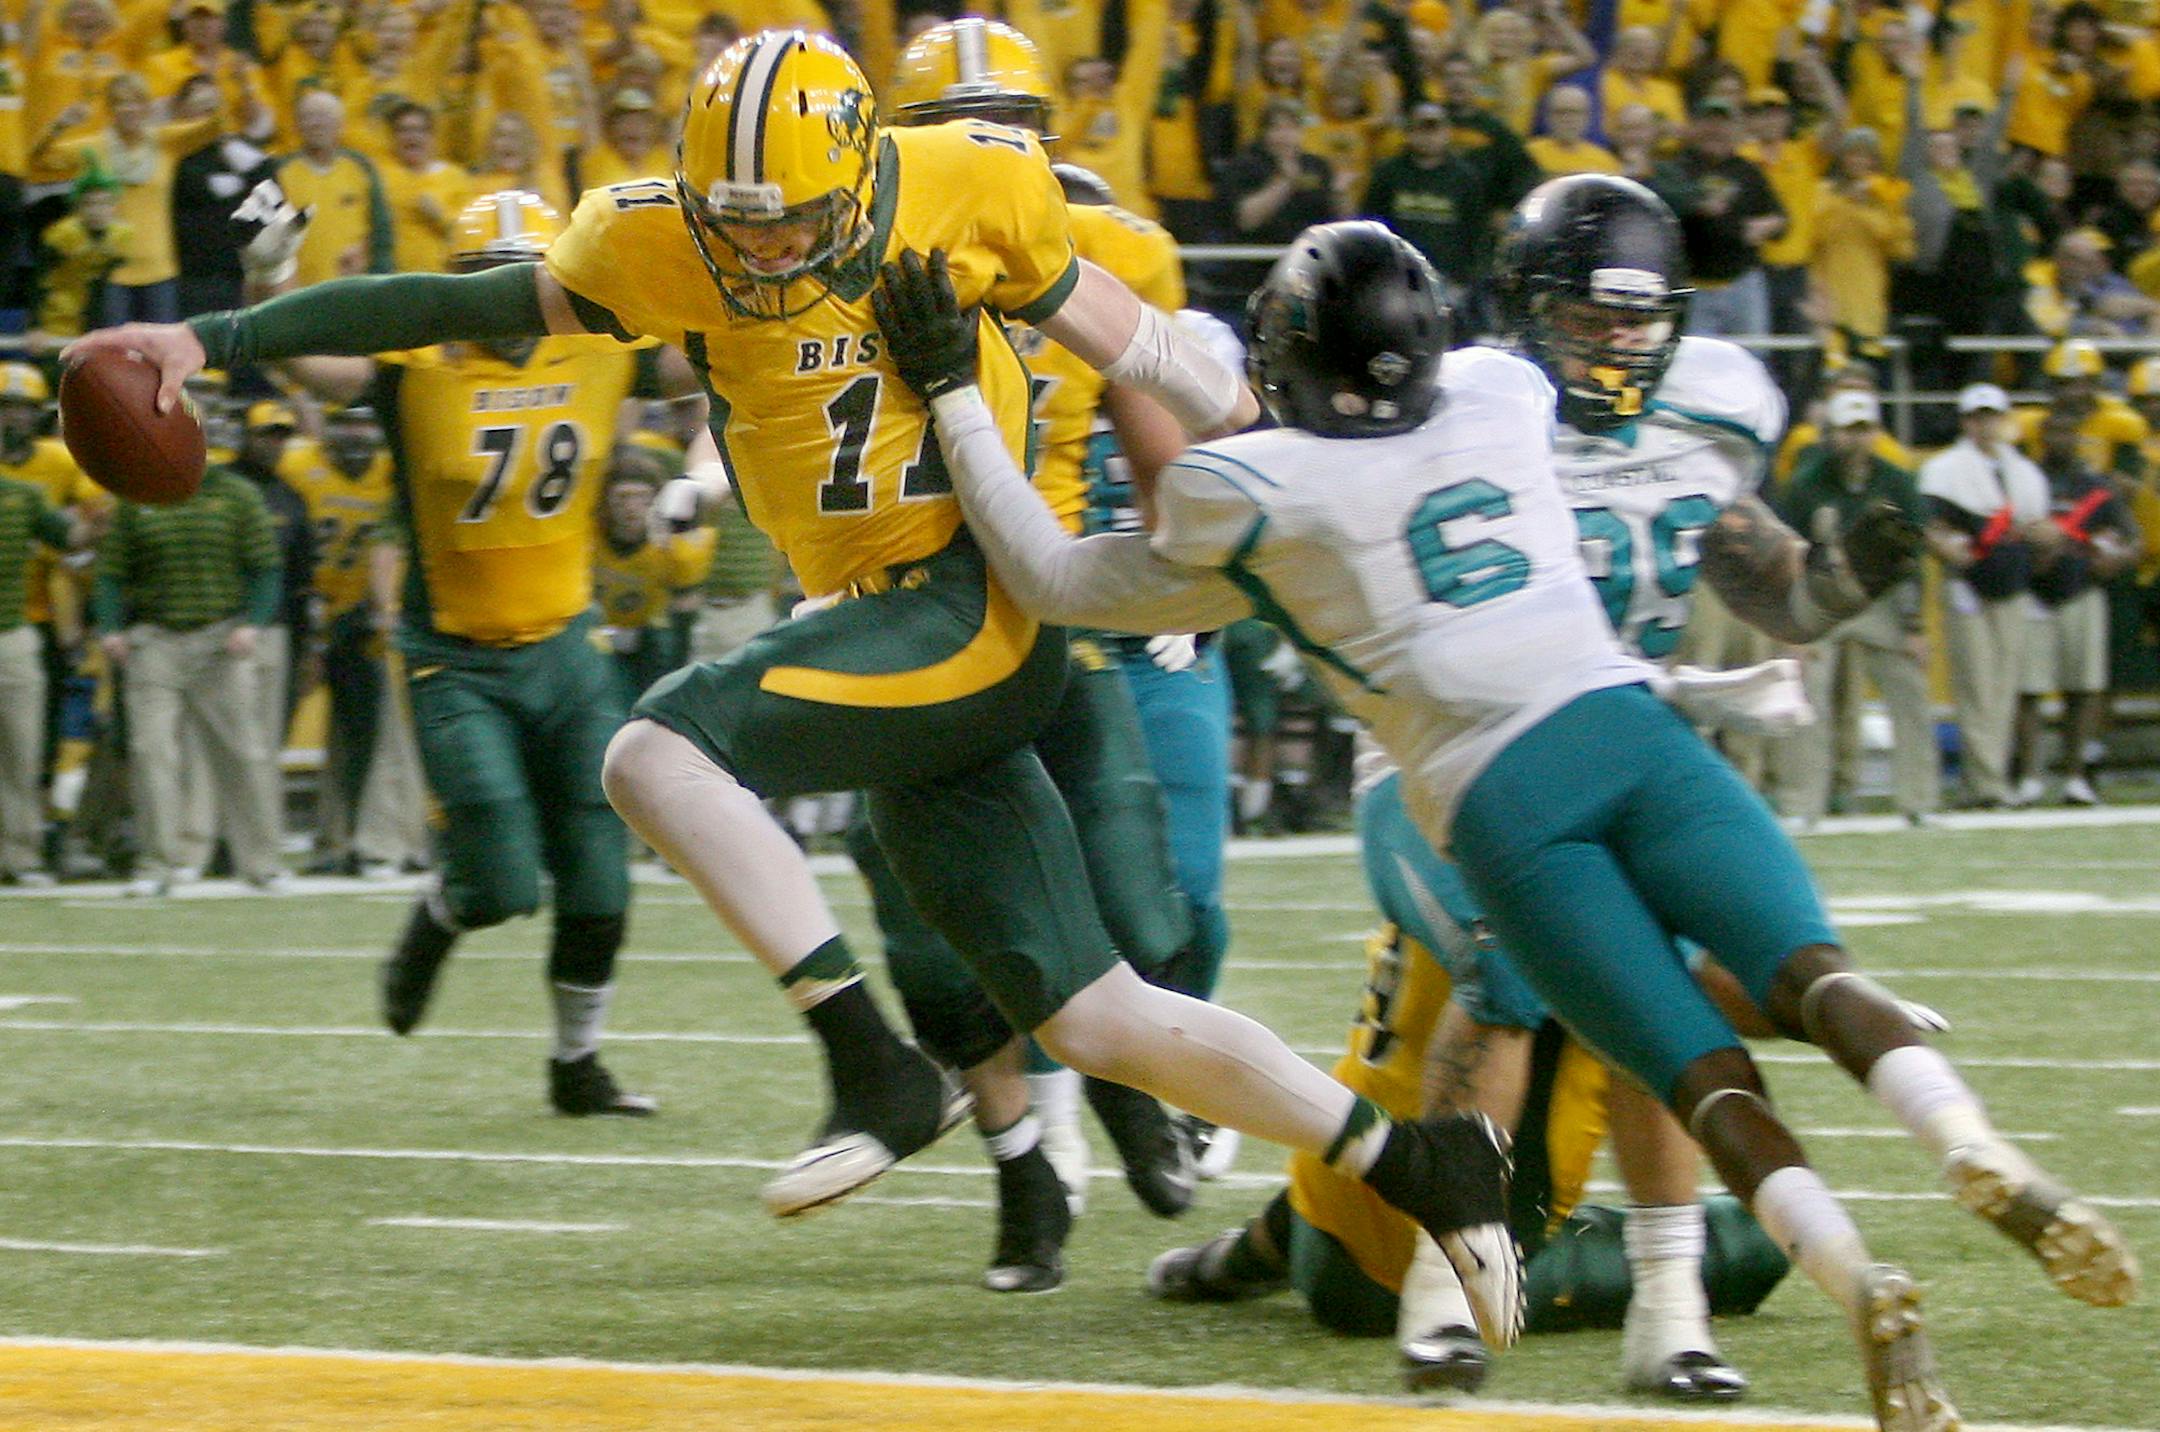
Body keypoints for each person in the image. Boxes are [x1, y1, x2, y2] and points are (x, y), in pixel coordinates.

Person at [68, 36, 1525, 1338]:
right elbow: (443, 299)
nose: (762, 256)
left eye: (794, 222)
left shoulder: (974, 188)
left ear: (865, 173)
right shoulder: (658, 239)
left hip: (971, 601)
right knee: (1097, 1019)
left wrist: (1319, 472)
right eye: (735, 226)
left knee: (652, 751)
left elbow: (1156, 361)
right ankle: (1418, 1158)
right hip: (878, 632)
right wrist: (215, 338)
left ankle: (869, 1065)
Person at [877, 217, 2138, 1432]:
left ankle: (1859, 1278)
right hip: (1635, 733)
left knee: (1692, 1069)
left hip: (1498, 801)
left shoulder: (1247, 488)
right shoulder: (1498, 393)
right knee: (1814, 975)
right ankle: (1969, 1141)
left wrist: (954, 391)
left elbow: (1052, 571)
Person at [878, 20, 1217, 1287]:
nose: (990, 146)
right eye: (963, 122)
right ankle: (1025, 1171)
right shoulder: (841, 256)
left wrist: (1185, 570)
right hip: (898, 623)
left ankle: (1137, 1094)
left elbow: (1158, 420)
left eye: (1008, 121)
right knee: (929, 950)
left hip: (1047, 617)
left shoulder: (1100, 249)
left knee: (1138, 904)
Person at [239, 187, 659, 1115]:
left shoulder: (600, 350)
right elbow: (299, 358)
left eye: (530, 278)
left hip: (568, 648)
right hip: (455, 659)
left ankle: (576, 1065)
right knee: (502, 883)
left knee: (598, 876)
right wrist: (269, 271)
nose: (511, 299)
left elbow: (720, 356)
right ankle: (438, 916)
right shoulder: (412, 368)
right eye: (489, 279)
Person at [91, 445, 286, 897]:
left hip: (221, 639)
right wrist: (110, 627)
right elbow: (111, 571)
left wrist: (254, 624)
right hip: (154, 640)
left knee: (244, 752)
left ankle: (262, 862)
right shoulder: (136, 497)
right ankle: (156, 864)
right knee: (151, 752)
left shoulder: (238, 495)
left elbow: (265, 567)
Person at [1773, 390, 1937, 827]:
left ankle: (1919, 799)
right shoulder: (1807, 483)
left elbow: (1911, 557)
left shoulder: (1898, 481)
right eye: (1848, 431)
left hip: (1880, 599)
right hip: (1823, 598)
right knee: (1808, 696)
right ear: (1832, 435)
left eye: (1864, 430)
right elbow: (1791, 554)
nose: (1856, 440)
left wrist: (1915, 625)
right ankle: (1802, 803)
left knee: (1911, 692)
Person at [1920, 384, 2053, 810]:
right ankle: (1987, 782)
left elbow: (2039, 527)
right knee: (1977, 685)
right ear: (1966, 422)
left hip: (2012, 583)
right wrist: (1950, 549)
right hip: (1969, 586)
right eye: (1978, 417)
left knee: (2003, 687)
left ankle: (1990, 778)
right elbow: (1932, 525)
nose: (1985, 425)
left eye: (1992, 416)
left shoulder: (2024, 471)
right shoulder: (1945, 469)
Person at [0, 385, 102, 885]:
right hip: (20, 629)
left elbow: (75, 536)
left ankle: (21, 855)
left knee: (25, 751)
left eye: (15, 410)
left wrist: (112, 507)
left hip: (17, 630)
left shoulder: (24, 495)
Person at [2014, 408, 2141, 806]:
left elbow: (2132, 539)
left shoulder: (2094, 485)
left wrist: (2115, 558)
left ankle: (2075, 775)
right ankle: (2030, 774)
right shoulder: (2025, 479)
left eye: (2069, 431)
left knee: (2083, 688)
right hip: (2032, 594)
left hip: (2081, 589)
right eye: (2054, 431)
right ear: (2042, 435)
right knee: (2029, 688)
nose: (2061, 439)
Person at [1650, 95, 1783, 338]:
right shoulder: (1676, 166)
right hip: (1694, 285)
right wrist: (1697, 204)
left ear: (1736, 130)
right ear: (1694, 127)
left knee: (1751, 355)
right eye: (1708, 122)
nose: (1716, 130)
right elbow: (1663, 204)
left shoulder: (1748, 171)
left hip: (1743, 283)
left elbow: (1780, 218)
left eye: (1723, 123)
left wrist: (1769, 224)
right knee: (1697, 358)